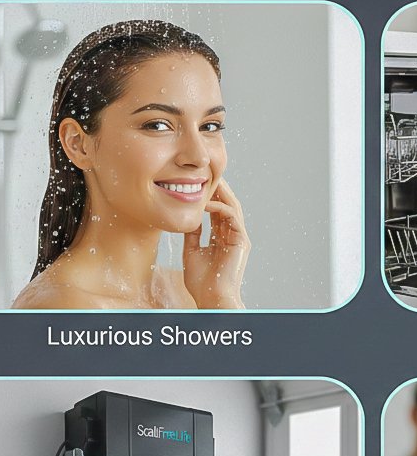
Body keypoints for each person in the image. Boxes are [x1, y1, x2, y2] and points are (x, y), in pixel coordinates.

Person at [13, 21, 249, 310]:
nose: (198, 157)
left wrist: (219, 298)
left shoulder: (191, 293)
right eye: (158, 125)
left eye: (210, 126)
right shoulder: (65, 307)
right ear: (78, 143)